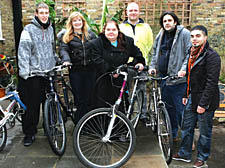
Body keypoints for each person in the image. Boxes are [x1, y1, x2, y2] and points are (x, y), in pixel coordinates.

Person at [172, 25, 221, 168]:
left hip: (206, 100)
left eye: (198, 36)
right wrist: (186, 94)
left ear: (205, 37)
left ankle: (202, 157)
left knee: (205, 132)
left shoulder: (212, 56)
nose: (194, 39)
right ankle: (184, 153)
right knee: (187, 127)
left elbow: (211, 83)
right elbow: (189, 77)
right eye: (192, 36)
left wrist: (203, 104)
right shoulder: (191, 53)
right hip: (192, 97)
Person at [18, 2, 56, 146]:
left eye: (46, 13)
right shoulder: (28, 30)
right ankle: (29, 133)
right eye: (42, 13)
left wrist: (56, 61)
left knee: (50, 103)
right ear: (36, 14)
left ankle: (49, 129)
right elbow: (23, 52)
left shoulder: (51, 29)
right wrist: (24, 72)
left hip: (49, 72)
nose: (44, 15)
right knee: (32, 106)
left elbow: (52, 48)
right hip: (34, 74)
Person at [148, 11, 191, 141]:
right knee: (168, 110)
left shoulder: (184, 34)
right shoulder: (161, 34)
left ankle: (187, 141)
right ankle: (173, 135)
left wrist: (183, 69)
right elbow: (155, 52)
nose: (167, 23)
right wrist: (152, 67)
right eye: (164, 21)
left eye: (169, 20)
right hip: (164, 79)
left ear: (175, 22)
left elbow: (190, 54)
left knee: (181, 111)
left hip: (179, 81)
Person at [91, 20, 145, 110]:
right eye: (108, 30)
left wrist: (139, 62)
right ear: (104, 31)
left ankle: (123, 124)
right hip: (103, 79)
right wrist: (112, 70)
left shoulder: (127, 41)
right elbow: (97, 60)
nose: (111, 32)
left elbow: (137, 53)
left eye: (113, 29)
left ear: (118, 31)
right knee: (104, 107)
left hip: (121, 79)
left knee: (122, 106)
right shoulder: (97, 43)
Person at [59, 12, 96, 125]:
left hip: (90, 70)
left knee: (90, 97)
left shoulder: (91, 35)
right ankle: (80, 124)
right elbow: (63, 49)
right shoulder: (66, 36)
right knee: (79, 98)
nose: (77, 22)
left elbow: (97, 48)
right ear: (71, 23)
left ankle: (91, 123)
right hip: (76, 71)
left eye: (79, 20)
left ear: (83, 22)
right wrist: (66, 60)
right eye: (74, 21)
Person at [119, 2, 153, 121]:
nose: (133, 13)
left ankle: (143, 115)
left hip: (142, 63)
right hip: (126, 63)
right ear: (126, 13)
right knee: (126, 91)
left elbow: (149, 44)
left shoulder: (146, 27)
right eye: (130, 11)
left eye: (135, 10)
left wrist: (142, 57)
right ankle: (128, 115)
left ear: (139, 12)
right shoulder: (121, 27)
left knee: (141, 90)